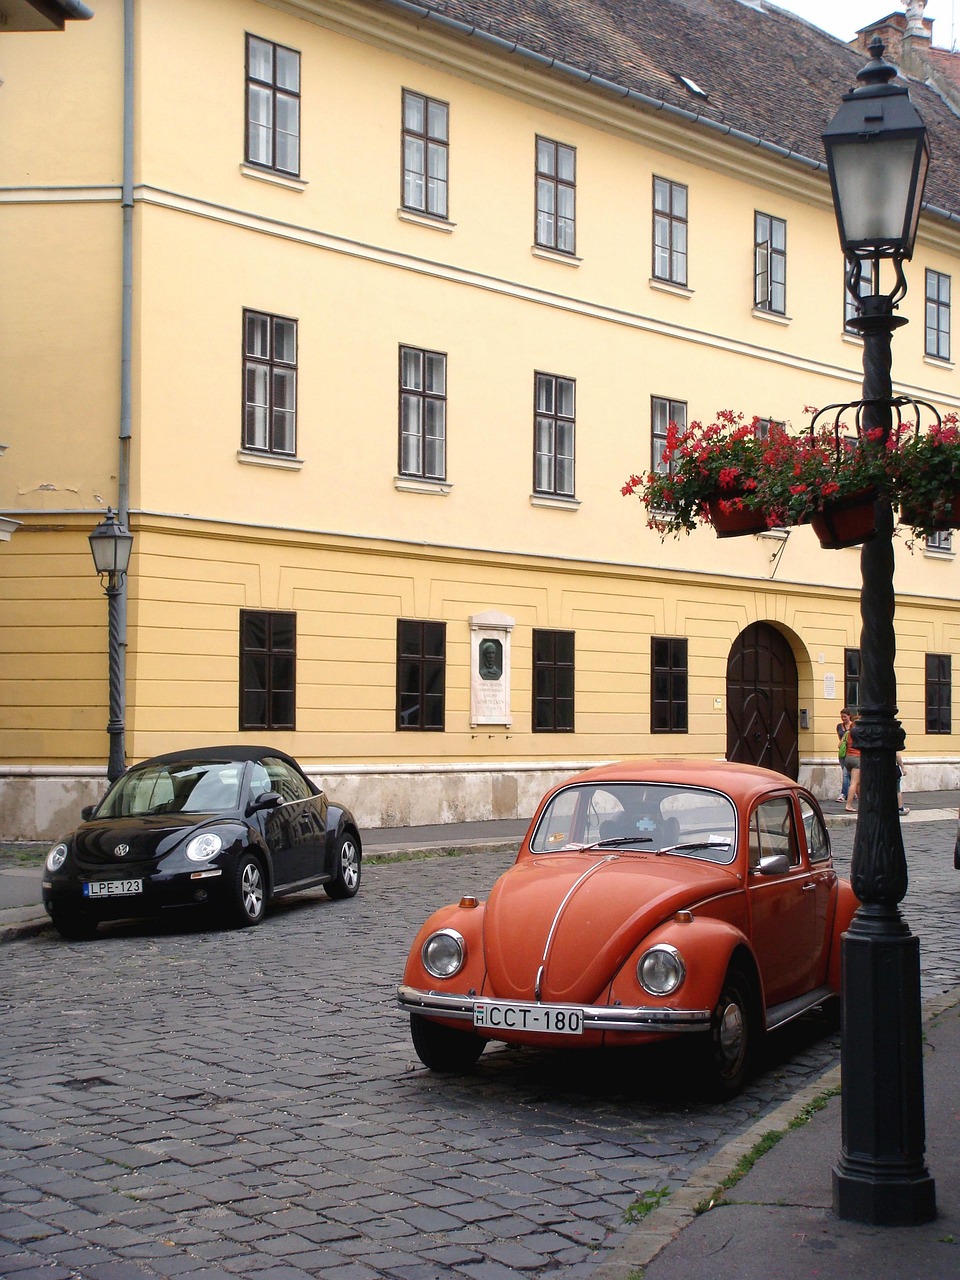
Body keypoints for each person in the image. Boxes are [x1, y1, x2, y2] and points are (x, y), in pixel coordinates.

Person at [844, 715, 861, 812]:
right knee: (854, 783)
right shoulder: (859, 733)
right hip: (857, 758)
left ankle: (863, 803)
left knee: (858, 782)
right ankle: (848, 805)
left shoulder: (849, 732)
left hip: (848, 757)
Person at [836, 708, 852, 803]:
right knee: (846, 773)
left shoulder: (853, 726)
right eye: (842, 716)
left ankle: (844, 794)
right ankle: (851, 792)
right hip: (842, 753)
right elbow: (840, 739)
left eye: (845, 716)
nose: (843, 718)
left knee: (846, 774)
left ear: (849, 716)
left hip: (850, 753)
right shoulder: (839, 726)